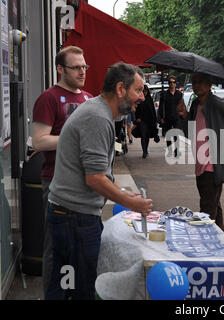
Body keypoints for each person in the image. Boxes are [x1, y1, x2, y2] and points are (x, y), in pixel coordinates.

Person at [45, 62, 153, 300]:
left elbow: (98, 174)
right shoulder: (97, 117)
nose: (142, 97)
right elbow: (94, 178)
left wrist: (123, 193)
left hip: (73, 217)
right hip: (74, 219)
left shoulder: (99, 112)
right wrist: (131, 202)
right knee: (75, 289)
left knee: (68, 285)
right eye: (139, 90)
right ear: (121, 89)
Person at [32, 45, 93, 295]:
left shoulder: (89, 98)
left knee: (82, 250)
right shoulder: (49, 98)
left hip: (87, 186)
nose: (82, 72)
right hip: (56, 184)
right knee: (57, 250)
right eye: (76, 67)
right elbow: (39, 141)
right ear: (60, 69)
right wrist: (75, 139)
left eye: (84, 67)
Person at [177, 72, 224, 231]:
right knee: (213, 205)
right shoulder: (195, 104)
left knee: (207, 211)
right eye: (194, 82)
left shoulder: (218, 104)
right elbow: (191, 131)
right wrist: (184, 115)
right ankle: (221, 238)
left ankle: (207, 244)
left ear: (209, 84)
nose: (197, 85)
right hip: (200, 164)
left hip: (212, 165)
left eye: (200, 82)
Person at [158, 75, 183, 157]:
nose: (172, 84)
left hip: (176, 117)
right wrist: (161, 117)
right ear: (168, 84)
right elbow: (161, 107)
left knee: (176, 135)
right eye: (170, 82)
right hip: (167, 117)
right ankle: (169, 150)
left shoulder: (179, 94)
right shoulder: (164, 94)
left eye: (173, 82)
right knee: (168, 135)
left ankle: (176, 151)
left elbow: (182, 106)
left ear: (176, 84)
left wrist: (182, 115)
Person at [135, 82, 158, 158]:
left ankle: (146, 150)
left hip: (149, 121)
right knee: (143, 135)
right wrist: (137, 118)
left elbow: (153, 111)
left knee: (147, 136)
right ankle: (144, 151)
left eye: (145, 91)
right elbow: (136, 109)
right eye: (143, 91)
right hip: (142, 121)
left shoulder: (149, 99)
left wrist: (155, 121)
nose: (144, 93)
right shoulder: (139, 99)